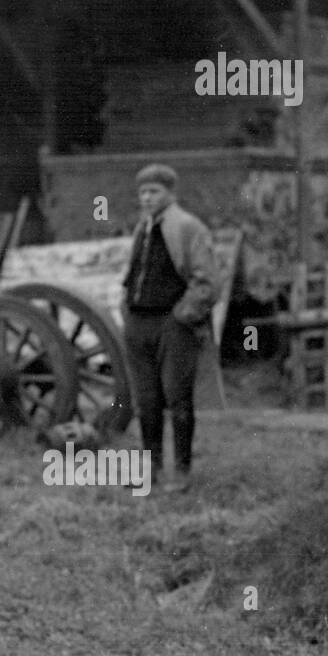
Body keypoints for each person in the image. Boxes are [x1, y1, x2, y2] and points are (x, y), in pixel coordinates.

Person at [121, 164, 217, 494]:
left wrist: (182, 316)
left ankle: (182, 472)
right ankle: (152, 469)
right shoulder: (143, 229)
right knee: (146, 401)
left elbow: (206, 282)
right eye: (143, 193)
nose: (147, 198)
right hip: (139, 324)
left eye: (154, 192)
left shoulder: (188, 227)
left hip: (172, 325)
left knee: (178, 399)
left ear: (170, 194)